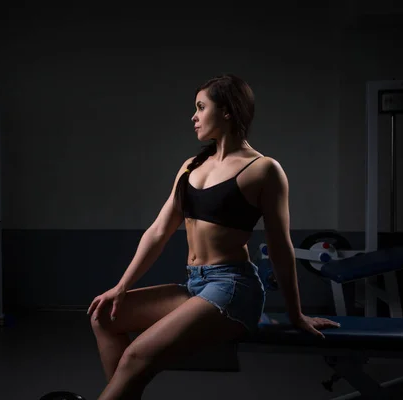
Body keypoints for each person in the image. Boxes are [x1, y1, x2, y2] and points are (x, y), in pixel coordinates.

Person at [87, 74, 340, 399]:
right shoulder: (192, 166)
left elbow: (280, 246)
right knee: (104, 317)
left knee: (137, 356)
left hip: (233, 288)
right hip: (195, 285)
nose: (193, 116)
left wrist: (295, 313)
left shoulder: (263, 170)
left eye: (201, 107)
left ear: (227, 111)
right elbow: (159, 231)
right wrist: (122, 287)